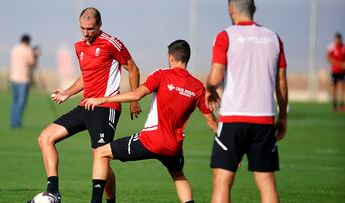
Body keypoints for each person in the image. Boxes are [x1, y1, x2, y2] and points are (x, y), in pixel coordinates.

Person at [82, 40, 218, 203]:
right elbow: (212, 122)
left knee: (100, 153)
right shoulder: (197, 87)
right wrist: (228, 148)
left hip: (151, 140)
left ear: (171, 57)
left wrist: (103, 99)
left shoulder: (162, 75)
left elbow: (136, 95)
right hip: (174, 147)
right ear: (187, 58)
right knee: (178, 175)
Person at [28, 7, 141, 203]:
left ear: (99, 26)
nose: (86, 33)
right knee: (45, 138)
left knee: (101, 155)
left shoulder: (112, 43)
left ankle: (103, 200)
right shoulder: (79, 46)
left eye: (90, 28)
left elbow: (133, 69)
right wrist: (67, 92)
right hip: (85, 106)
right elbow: (86, 77)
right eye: (82, 28)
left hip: (106, 108)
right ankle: (53, 192)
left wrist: (134, 100)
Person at [205, 0, 288, 203]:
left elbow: (215, 78)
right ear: (254, 9)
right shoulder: (273, 38)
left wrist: (210, 89)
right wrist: (283, 116)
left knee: (222, 181)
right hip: (264, 119)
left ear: (231, 9)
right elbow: (282, 83)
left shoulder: (226, 36)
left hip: (234, 118)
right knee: (266, 180)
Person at [9, 34, 38, 128]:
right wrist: (35, 55)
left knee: (15, 102)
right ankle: (16, 124)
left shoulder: (14, 49)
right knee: (21, 102)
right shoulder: (27, 50)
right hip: (23, 79)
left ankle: (13, 122)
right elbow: (32, 64)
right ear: (28, 41)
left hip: (13, 78)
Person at [327, 32, 345, 111]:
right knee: (334, 88)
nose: (338, 40)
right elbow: (329, 58)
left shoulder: (344, 47)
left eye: (339, 39)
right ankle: (334, 105)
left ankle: (341, 105)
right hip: (334, 71)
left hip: (343, 71)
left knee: (343, 88)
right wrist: (339, 64)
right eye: (337, 39)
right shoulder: (332, 47)